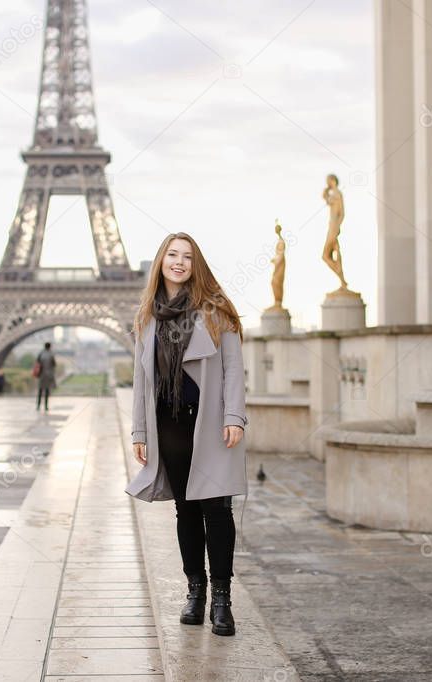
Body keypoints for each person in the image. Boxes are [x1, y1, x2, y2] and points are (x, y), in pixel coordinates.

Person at [124, 232, 248, 637]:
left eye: (188, 257)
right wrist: (140, 429)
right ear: (161, 261)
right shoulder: (147, 317)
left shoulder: (216, 312)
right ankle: (195, 592)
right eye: (172, 255)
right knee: (186, 509)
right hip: (168, 423)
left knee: (218, 510)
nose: (179, 262)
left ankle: (222, 599)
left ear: (197, 265)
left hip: (208, 422)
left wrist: (234, 416)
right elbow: (143, 379)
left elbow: (232, 369)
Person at [35, 342, 56, 411]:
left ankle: (38, 406)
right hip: (48, 374)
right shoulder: (51, 354)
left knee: (40, 391)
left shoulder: (41, 354)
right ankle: (46, 406)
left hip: (41, 375)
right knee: (47, 391)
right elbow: (54, 364)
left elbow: (37, 363)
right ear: (49, 347)